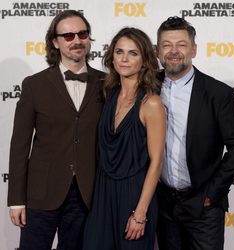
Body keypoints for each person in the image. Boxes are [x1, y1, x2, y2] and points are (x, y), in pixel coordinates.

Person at [7, 10, 105, 250]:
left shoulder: (106, 84)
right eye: (68, 35)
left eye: (82, 34)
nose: (77, 40)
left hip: (86, 195)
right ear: (55, 42)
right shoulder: (34, 85)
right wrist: (16, 200)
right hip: (41, 192)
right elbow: (19, 146)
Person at [156, 16, 234, 250]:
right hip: (162, 204)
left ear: (194, 50)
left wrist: (212, 193)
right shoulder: (147, 87)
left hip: (203, 205)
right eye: (167, 45)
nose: (174, 51)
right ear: (157, 51)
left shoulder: (218, 93)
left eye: (181, 44)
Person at [83, 27, 166, 250]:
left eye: (133, 53)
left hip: (134, 195)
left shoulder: (151, 103)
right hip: (102, 193)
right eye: (119, 52)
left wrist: (140, 213)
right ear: (112, 57)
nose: (125, 59)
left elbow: (157, 163)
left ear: (146, 60)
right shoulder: (107, 94)